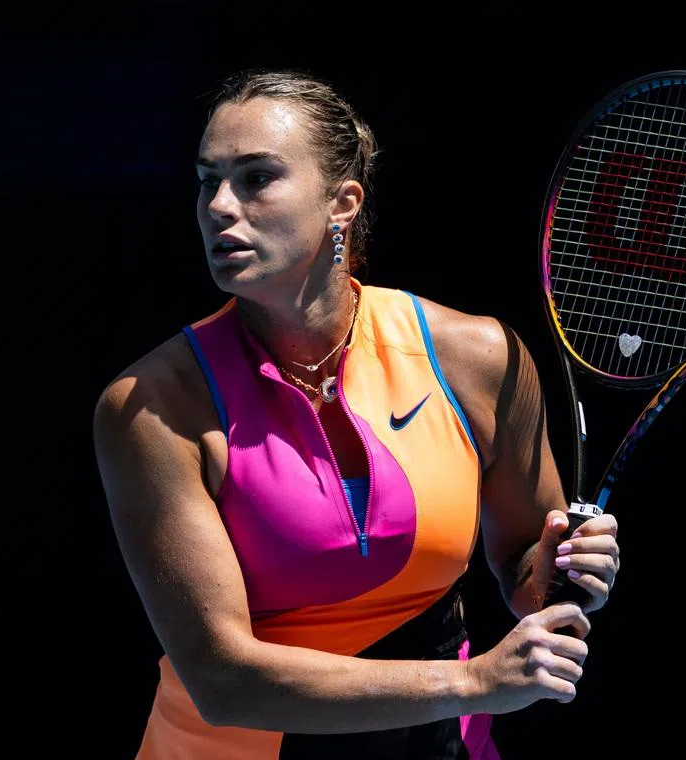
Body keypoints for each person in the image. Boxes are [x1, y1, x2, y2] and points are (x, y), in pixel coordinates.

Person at [92, 68, 621, 760]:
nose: (219, 205)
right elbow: (222, 679)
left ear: (342, 202)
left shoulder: (474, 357)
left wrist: (562, 570)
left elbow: (527, 570)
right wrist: (471, 682)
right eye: (207, 178)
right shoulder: (153, 406)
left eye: (256, 178)